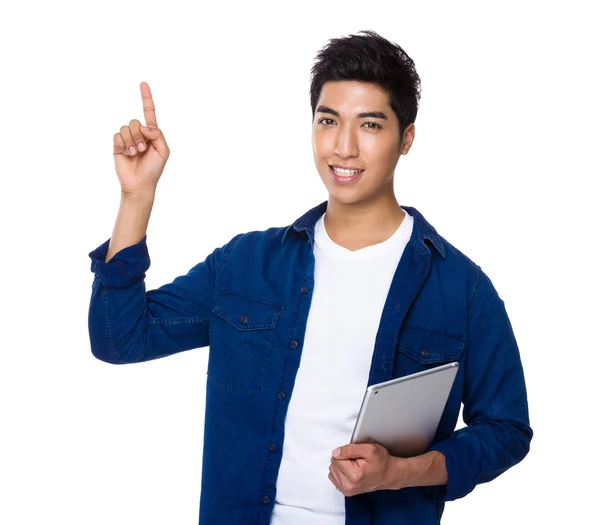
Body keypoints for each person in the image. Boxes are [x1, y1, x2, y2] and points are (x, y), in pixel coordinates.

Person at [88, 30, 533, 525]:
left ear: (406, 138)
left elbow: (507, 429)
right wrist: (136, 197)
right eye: (328, 121)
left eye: (370, 125)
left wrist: (400, 472)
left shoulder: (462, 289)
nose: (343, 147)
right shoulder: (246, 265)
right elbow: (119, 338)